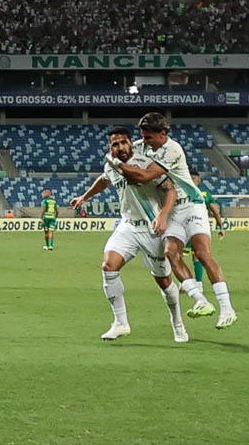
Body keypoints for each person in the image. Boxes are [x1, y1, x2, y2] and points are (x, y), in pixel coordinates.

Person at [111, 113, 237, 329]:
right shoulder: (142, 146)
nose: (145, 141)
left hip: (192, 204)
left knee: (202, 254)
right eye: (142, 136)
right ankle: (200, 299)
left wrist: (115, 164)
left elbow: (144, 176)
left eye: (149, 137)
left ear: (163, 134)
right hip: (171, 210)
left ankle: (227, 308)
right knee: (170, 252)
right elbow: (122, 155)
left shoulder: (173, 149)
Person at [69, 127, 188, 343]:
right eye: (115, 144)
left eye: (123, 142)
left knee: (163, 281)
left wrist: (162, 216)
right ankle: (120, 323)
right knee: (108, 266)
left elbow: (170, 190)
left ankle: (177, 322)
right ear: (110, 148)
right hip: (128, 226)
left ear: (131, 143)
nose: (120, 147)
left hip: (152, 229)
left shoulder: (146, 163)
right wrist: (84, 197)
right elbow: (105, 180)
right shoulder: (111, 166)